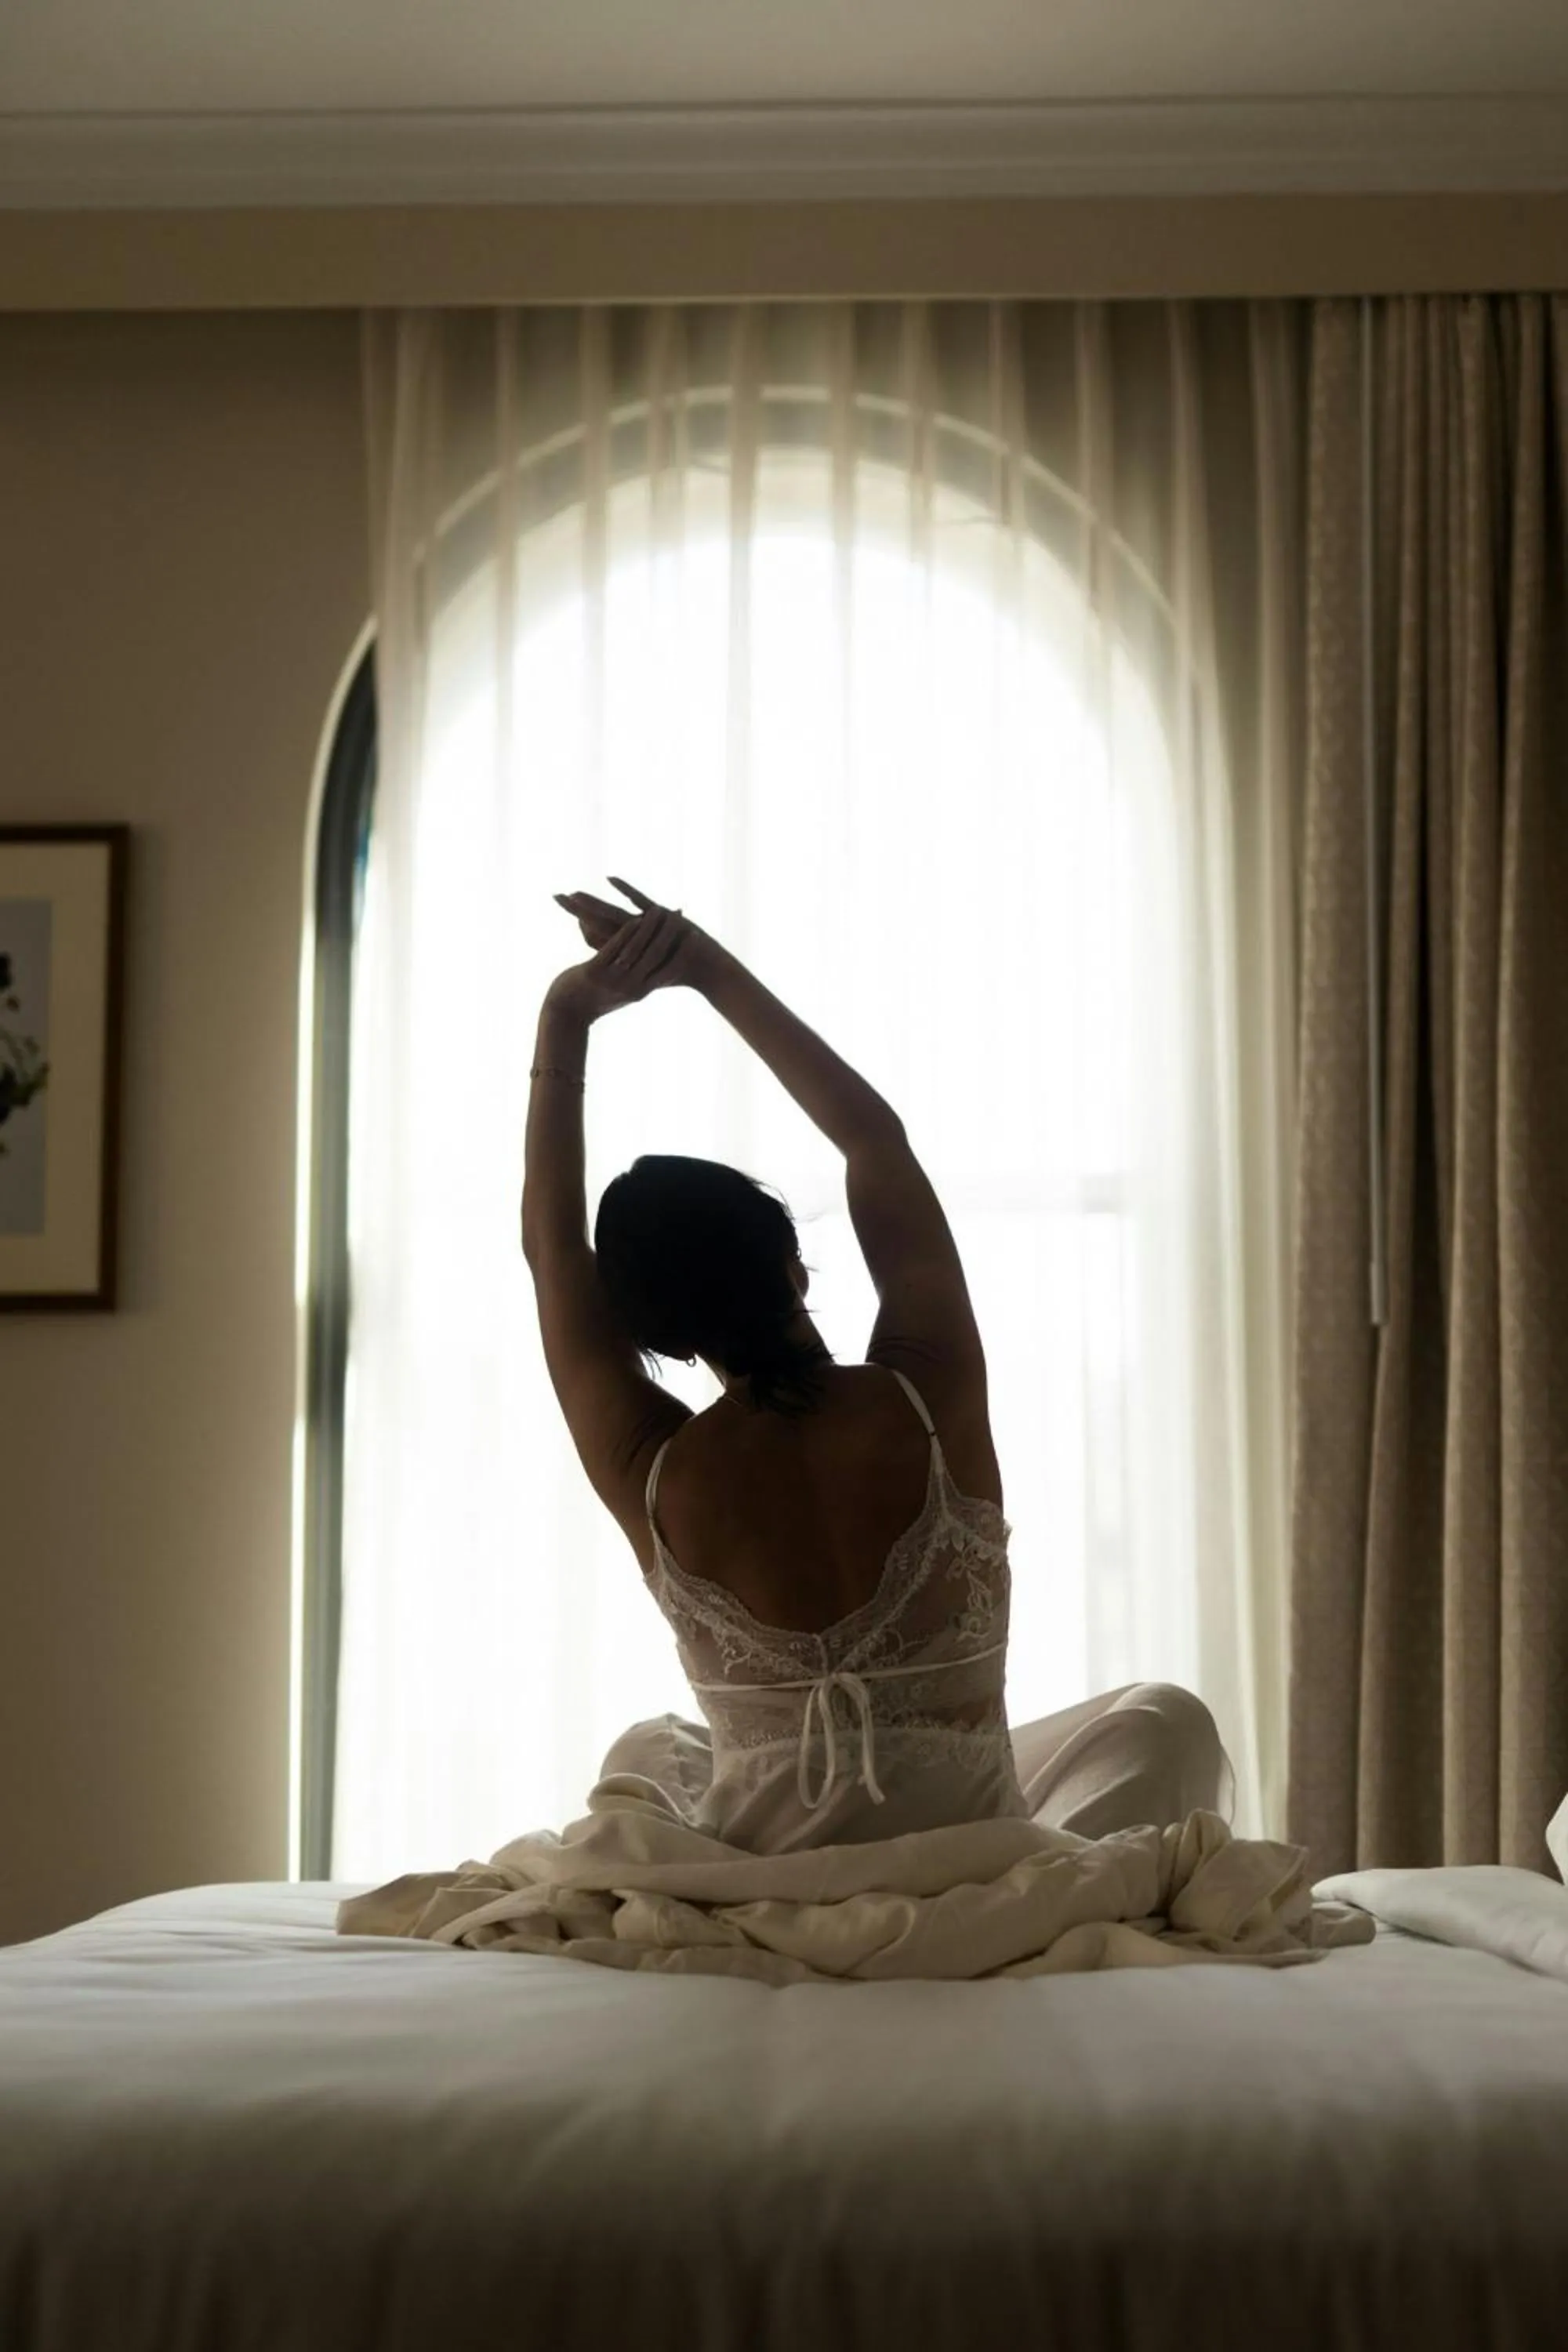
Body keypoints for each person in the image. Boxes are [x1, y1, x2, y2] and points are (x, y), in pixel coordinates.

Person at [521, 877, 1233, 1857]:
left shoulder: (648, 1470)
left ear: (665, 1337)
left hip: (776, 1871)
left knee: (655, 1752)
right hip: (970, 1861)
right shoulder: (926, 1391)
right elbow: (871, 1139)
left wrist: (565, 1019)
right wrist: (702, 969)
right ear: (790, 1257)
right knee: (1160, 1720)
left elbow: (553, 1253)